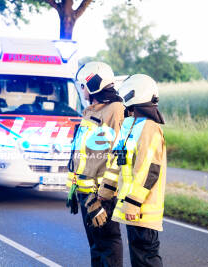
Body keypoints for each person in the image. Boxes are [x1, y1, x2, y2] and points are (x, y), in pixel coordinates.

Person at [66, 62, 124, 266]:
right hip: (86, 193)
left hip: (101, 195)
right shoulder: (90, 111)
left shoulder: (115, 110)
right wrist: (75, 188)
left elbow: (119, 154)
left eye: (83, 85)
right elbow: (84, 154)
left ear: (94, 84)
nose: (82, 90)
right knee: (96, 247)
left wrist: (103, 195)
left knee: (107, 245)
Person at [108, 74, 166, 267]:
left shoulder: (149, 128)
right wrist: (106, 190)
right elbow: (119, 161)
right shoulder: (131, 125)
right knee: (139, 258)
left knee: (146, 259)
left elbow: (149, 169)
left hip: (142, 208)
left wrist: (133, 202)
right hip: (132, 207)